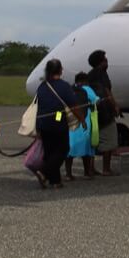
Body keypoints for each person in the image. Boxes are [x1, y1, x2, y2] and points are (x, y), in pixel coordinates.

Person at [33, 59, 77, 189]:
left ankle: (55, 181)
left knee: (50, 152)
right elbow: (73, 105)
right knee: (62, 150)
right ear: (60, 70)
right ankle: (44, 172)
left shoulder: (42, 86)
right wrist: (81, 119)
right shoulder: (64, 86)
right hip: (58, 124)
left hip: (42, 123)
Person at [86, 50, 120, 176]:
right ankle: (106, 169)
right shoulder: (102, 74)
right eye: (105, 59)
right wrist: (115, 106)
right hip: (105, 112)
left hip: (94, 112)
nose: (107, 62)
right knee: (109, 141)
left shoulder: (90, 75)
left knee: (93, 140)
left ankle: (91, 167)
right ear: (100, 62)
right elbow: (107, 92)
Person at [67, 70, 100, 180]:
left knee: (70, 149)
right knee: (86, 148)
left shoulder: (69, 89)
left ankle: (68, 174)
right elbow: (96, 100)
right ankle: (87, 172)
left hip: (70, 123)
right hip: (84, 122)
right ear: (85, 81)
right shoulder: (87, 89)